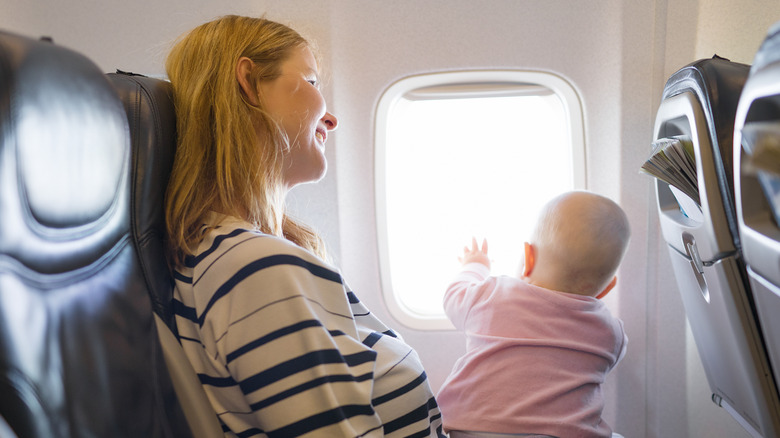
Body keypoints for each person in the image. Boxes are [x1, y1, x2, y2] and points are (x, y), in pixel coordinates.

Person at [164, 15, 444, 437]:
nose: (331, 120)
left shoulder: (251, 254)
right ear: (250, 84)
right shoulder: (255, 270)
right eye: (312, 82)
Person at [437, 191, 631, 438]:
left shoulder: (493, 293)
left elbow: (453, 295)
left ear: (528, 258)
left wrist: (475, 266)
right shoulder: (611, 333)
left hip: (471, 430)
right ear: (607, 288)